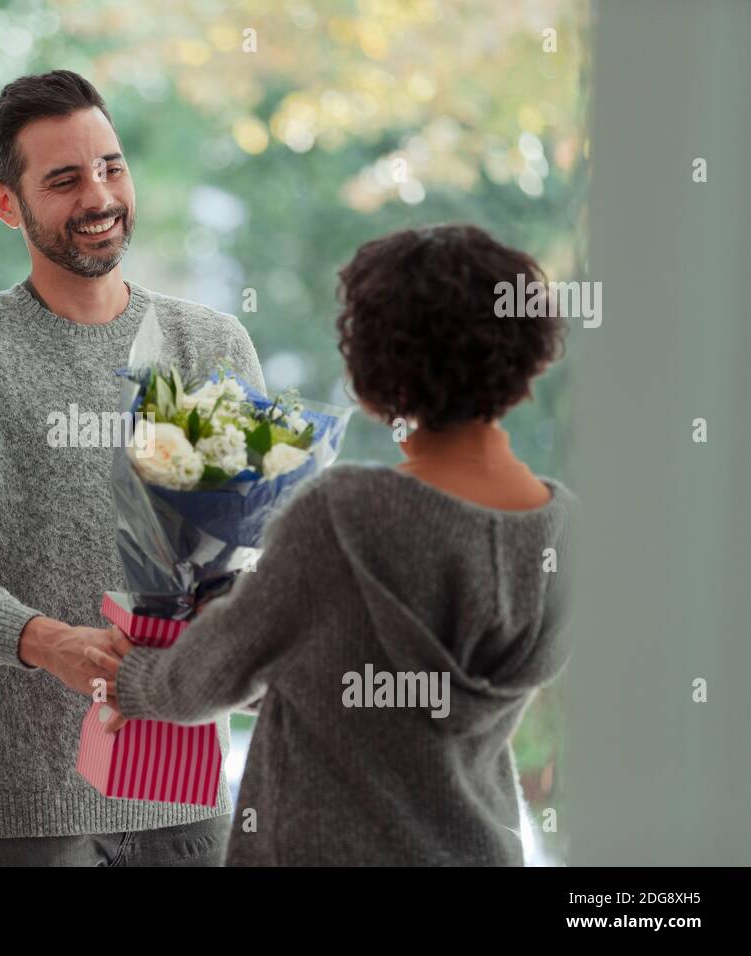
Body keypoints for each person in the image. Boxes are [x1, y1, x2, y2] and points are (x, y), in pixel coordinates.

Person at [89, 224, 576, 865]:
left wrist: (129, 680)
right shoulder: (565, 529)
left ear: (376, 361)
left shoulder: (344, 514)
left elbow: (203, 681)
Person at [0, 70, 265, 866]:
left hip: (185, 789)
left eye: (111, 167)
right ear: (7, 204)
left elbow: (253, 562)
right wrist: (42, 639)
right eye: (64, 180)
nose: (99, 197)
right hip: (31, 809)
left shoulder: (211, 346)